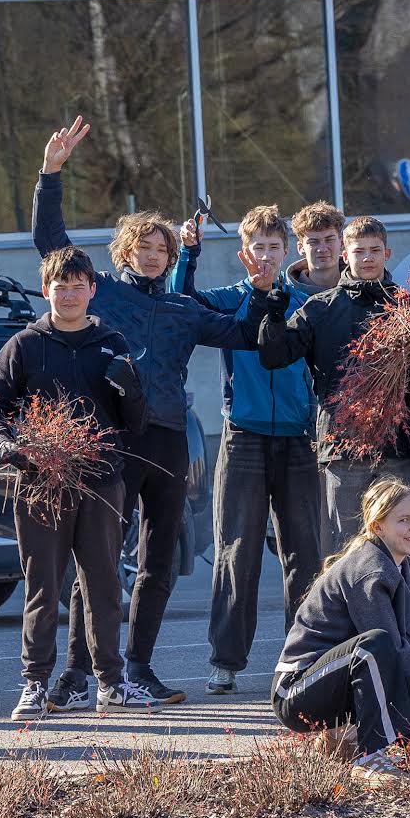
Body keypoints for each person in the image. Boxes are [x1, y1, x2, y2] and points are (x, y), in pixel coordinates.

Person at [32, 117, 257, 708]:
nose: (155, 256)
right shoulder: (102, 290)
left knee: (159, 561)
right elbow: (52, 246)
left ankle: (137, 667)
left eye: (164, 249)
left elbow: (243, 335)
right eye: (145, 248)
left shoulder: (183, 308)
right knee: (98, 560)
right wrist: (51, 172)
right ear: (125, 252)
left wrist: (263, 287)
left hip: (168, 440)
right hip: (112, 442)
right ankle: (80, 673)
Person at [0, 247, 153, 718]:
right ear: (46, 290)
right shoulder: (24, 345)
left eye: (80, 285)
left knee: (102, 584)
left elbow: (136, 423)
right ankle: (34, 684)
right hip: (42, 481)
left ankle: (111, 684)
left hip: (101, 480)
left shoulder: (112, 342)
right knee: (42, 584)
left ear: (93, 290)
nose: (71, 293)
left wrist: (132, 390)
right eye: (62, 285)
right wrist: (6, 444)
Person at [173, 205, 320, 695]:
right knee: (237, 551)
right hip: (244, 437)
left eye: (275, 248)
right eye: (258, 248)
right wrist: (188, 254)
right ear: (243, 254)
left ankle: (305, 655)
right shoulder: (230, 300)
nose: (266, 256)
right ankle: (226, 661)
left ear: (287, 252)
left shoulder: (305, 302)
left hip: (300, 438)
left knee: (304, 552)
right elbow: (180, 302)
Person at [272, 478, 410, 786]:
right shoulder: (369, 569)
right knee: (376, 645)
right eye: (403, 520)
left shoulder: (408, 567)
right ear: (378, 527)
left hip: (337, 679)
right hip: (296, 690)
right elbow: (389, 646)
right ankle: (370, 756)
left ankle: (371, 743)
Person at [259, 215, 410, 553]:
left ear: (387, 253)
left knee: (402, 547)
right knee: (347, 551)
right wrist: (272, 316)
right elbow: (274, 356)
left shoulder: (408, 309)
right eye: (360, 251)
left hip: (399, 447)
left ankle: (399, 607)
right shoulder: (321, 308)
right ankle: (349, 608)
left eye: (375, 250)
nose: (368, 258)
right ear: (345, 254)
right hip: (344, 449)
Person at [290, 201, 347, 294]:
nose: (322, 249)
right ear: (301, 248)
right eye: (314, 242)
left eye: (329, 240)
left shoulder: (363, 291)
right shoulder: (285, 298)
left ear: (341, 243)